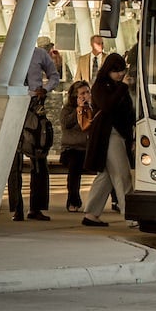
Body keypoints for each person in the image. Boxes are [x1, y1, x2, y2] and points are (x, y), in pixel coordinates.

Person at [8, 37, 60, 222]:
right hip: (14, 104)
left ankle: (36, 207)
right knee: (15, 160)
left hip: (35, 104)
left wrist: (45, 89)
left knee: (39, 156)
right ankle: (17, 207)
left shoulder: (39, 54)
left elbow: (54, 75)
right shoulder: (8, 54)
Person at [81, 52, 133, 227]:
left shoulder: (117, 86)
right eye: (116, 71)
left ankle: (91, 213)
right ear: (108, 71)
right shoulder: (100, 87)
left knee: (106, 176)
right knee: (121, 174)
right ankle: (131, 214)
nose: (120, 74)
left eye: (122, 70)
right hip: (109, 134)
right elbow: (108, 105)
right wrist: (123, 88)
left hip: (115, 134)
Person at [59, 80, 93, 212]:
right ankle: (73, 200)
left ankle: (115, 199)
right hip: (72, 148)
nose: (85, 95)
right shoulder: (67, 110)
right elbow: (66, 124)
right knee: (75, 166)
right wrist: (79, 109)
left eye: (88, 92)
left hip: (88, 148)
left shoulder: (92, 108)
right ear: (75, 96)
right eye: (82, 93)